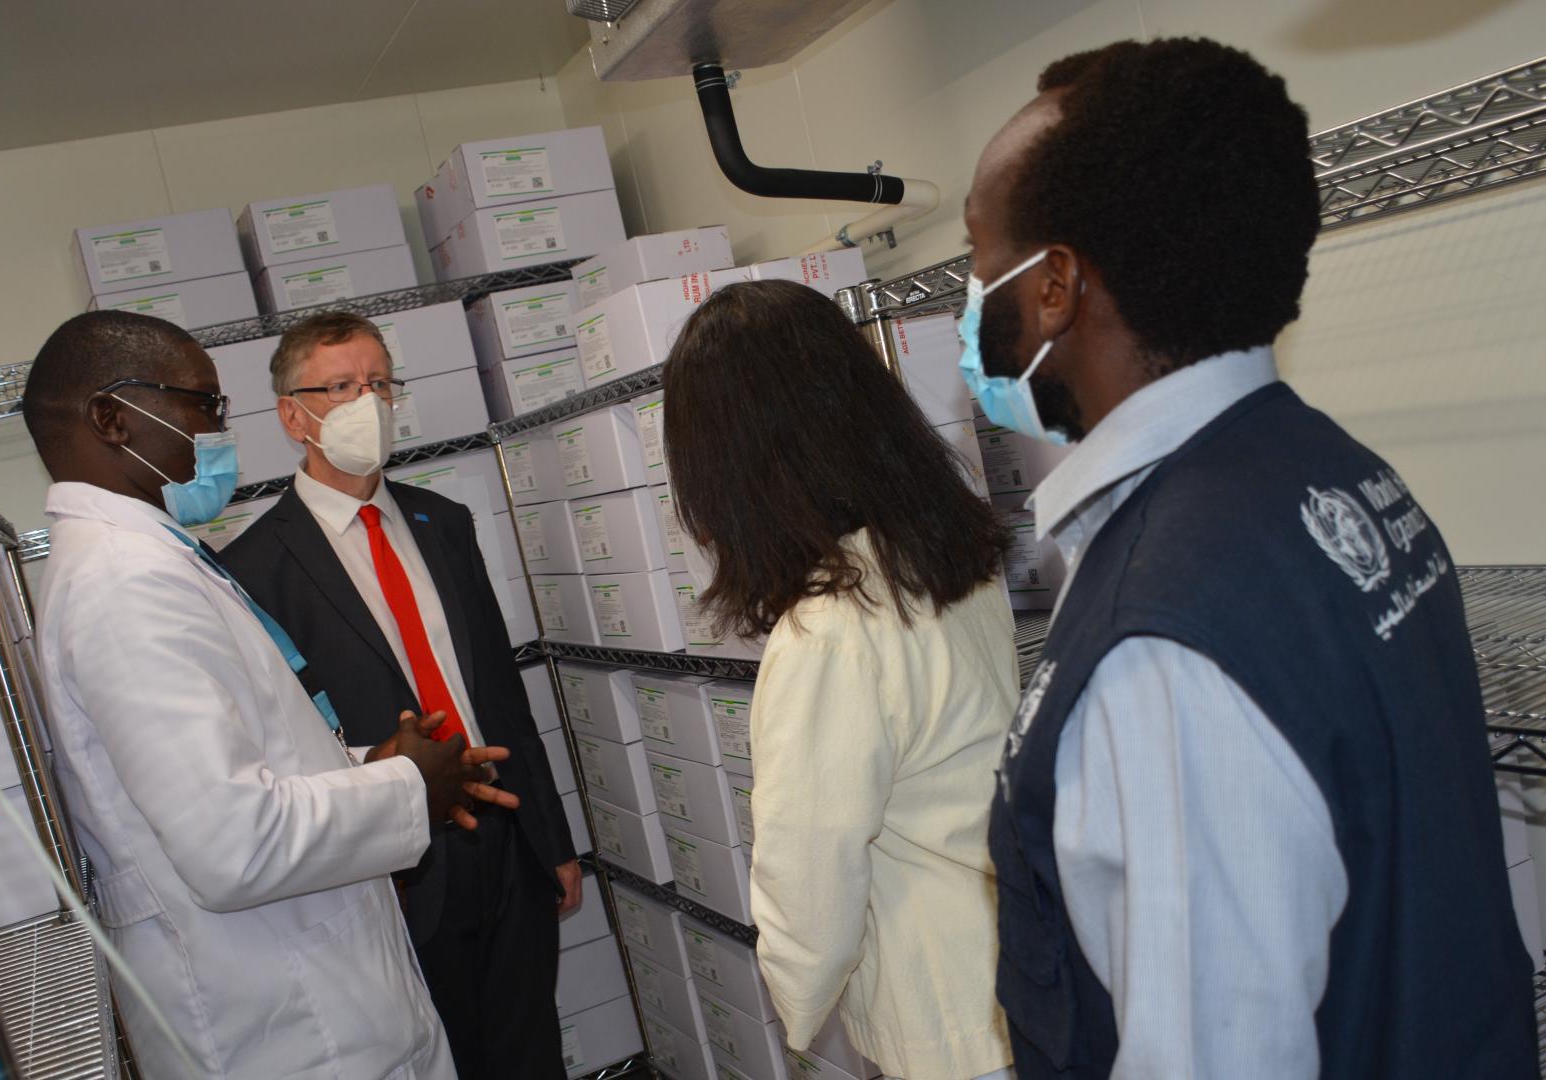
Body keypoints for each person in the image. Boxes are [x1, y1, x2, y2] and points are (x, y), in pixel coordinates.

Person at [968, 38, 1536, 1079]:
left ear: (1054, 288)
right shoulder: (1336, 474)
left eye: (978, 260)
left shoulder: (1165, 646)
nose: (972, 302)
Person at [24, 309, 513, 1079]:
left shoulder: (155, 561)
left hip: (318, 997)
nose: (220, 430)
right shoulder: (125, 582)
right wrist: (406, 784)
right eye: (201, 405)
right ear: (111, 418)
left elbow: (254, 758)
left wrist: (364, 765)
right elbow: (235, 845)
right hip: (288, 1029)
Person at [661, 279, 1021, 1080]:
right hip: (1015, 958)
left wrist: (797, 1006)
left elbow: (809, 878)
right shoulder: (941, 553)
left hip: (940, 1010)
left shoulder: (827, 632)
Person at [220, 311, 581, 1079]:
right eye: (341, 386)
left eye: (379, 383)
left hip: (504, 832)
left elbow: (501, 693)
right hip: (396, 867)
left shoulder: (442, 522)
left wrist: (552, 841)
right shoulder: (254, 566)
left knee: (528, 1052)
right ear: (294, 415)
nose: (367, 403)